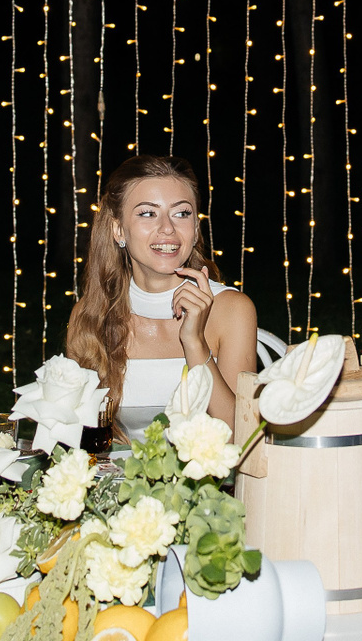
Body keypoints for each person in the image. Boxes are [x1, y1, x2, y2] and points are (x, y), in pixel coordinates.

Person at [65, 155, 258, 433]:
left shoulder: (232, 310)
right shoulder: (91, 314)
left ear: (195, 231)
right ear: (118, 230)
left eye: (182, 213)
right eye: (147, 213)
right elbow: (78, 435)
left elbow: (242, 438)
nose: (167, 228)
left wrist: (195, 343)